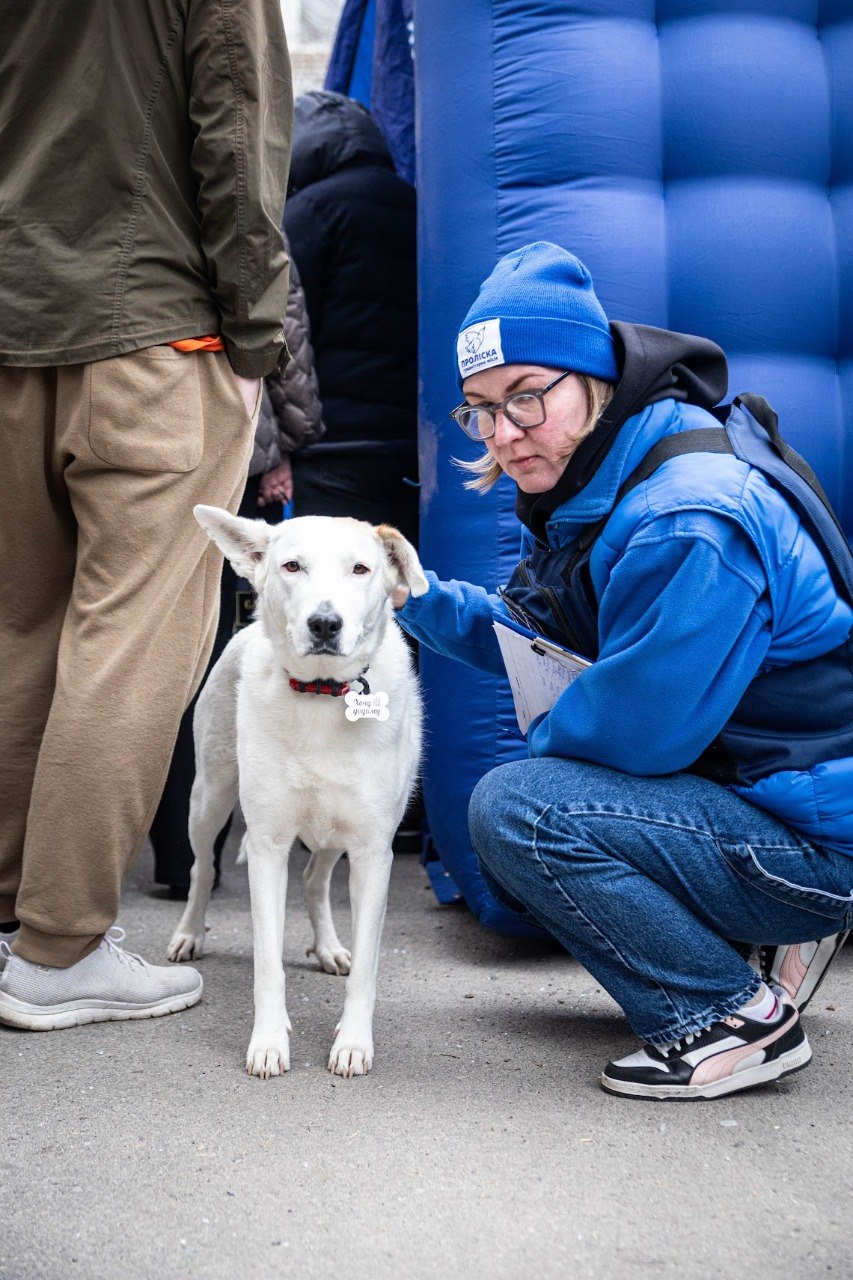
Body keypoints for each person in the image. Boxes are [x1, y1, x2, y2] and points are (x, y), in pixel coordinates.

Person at [396, 241, 853, 1100]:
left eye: (526, 396)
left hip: (814, 839)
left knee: (523, 809)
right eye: (479, 409)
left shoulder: (687, 515)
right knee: (536, 791)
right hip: (767, 797)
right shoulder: (606, 472)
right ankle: (767, 939)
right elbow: (529, 630)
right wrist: (405, 594)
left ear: (591, 378)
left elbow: (636, 737)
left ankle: (727, 1017)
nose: (502, 431)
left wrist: (548, 724)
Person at [0, 0, 292, 1031]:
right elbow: (235, 135)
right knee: (131, 637)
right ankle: (61, 948)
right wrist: (262, 341)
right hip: (157, 333)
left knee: (19, 628)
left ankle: (11, 924)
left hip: (16, 321)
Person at [149, 248, 324, 897]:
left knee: (127, 639)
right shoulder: (242, 200)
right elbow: (280, 334)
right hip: (227, 449)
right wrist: (290, 442)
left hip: (122, 431)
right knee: (207, 644)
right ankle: (185, 858)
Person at [283, 90, 419, 547]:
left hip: (333, 447)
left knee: (331, 585)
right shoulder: (417, 204)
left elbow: (288, 331)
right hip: (411, 444)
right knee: (397, 583)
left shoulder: (309, 212)